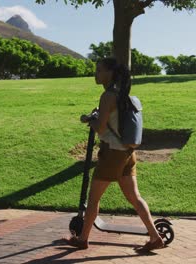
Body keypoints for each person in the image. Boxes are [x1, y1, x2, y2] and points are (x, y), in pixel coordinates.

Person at [63, 58, 164, 251]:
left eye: (99, 70)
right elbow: (112, 119)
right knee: (135, 197)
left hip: (112, 154)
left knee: (93, 199)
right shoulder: (121, 93)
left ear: (110, 73)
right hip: (127, 152)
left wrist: (87, 119)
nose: (96, 74)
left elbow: (101, 128)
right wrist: (99, 115)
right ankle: (155, 237)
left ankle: (83, 239)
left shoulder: (108, 95)